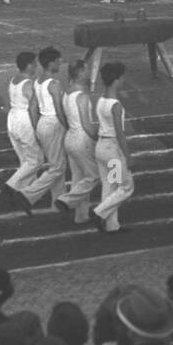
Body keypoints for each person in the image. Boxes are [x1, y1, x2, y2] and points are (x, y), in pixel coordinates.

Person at [23, 46, 69, 211]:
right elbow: (59, 109)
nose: (60, 63)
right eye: (58, 61)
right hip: (54, 124)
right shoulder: (54, 84)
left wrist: (37, 128)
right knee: (57, 167)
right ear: (51, 63)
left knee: (56, 164)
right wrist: (68, 127)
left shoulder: (37, 82)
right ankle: (29, 193)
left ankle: (58, 202)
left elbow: (32, 107)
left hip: (43, 123)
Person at [91, 62, 134, 234]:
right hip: (112, 151)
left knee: (110, 187)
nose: (123, 80)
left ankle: (112, 226)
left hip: (101, 148)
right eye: (122, 77)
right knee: (126, 186)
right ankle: (99, 212)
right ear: (116, 79)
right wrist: (127, 155)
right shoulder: (116, 105)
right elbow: (119, 133)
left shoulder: (101, 100)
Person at [56, 59, 99, 224]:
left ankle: (81, 216)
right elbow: (87, 125)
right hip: (81, 139)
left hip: (70, 138)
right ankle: (67, 200)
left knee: (78, 178)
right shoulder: (82, 97)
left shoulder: (67, 92)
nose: (88, 73)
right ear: (80, 72)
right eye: (86, 70)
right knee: (94, 176)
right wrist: (97, 137)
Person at [1, 51, 42, 214]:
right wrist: (37, 128)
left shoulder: (13, 80)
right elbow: (33, 108)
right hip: (24, 120)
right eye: (35, 63)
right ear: (29, 65)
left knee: (25, 161)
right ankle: (11, 185)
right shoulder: (29, 84)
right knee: (36, 160)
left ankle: (26, 197)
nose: (37, 66)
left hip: (12, 119)